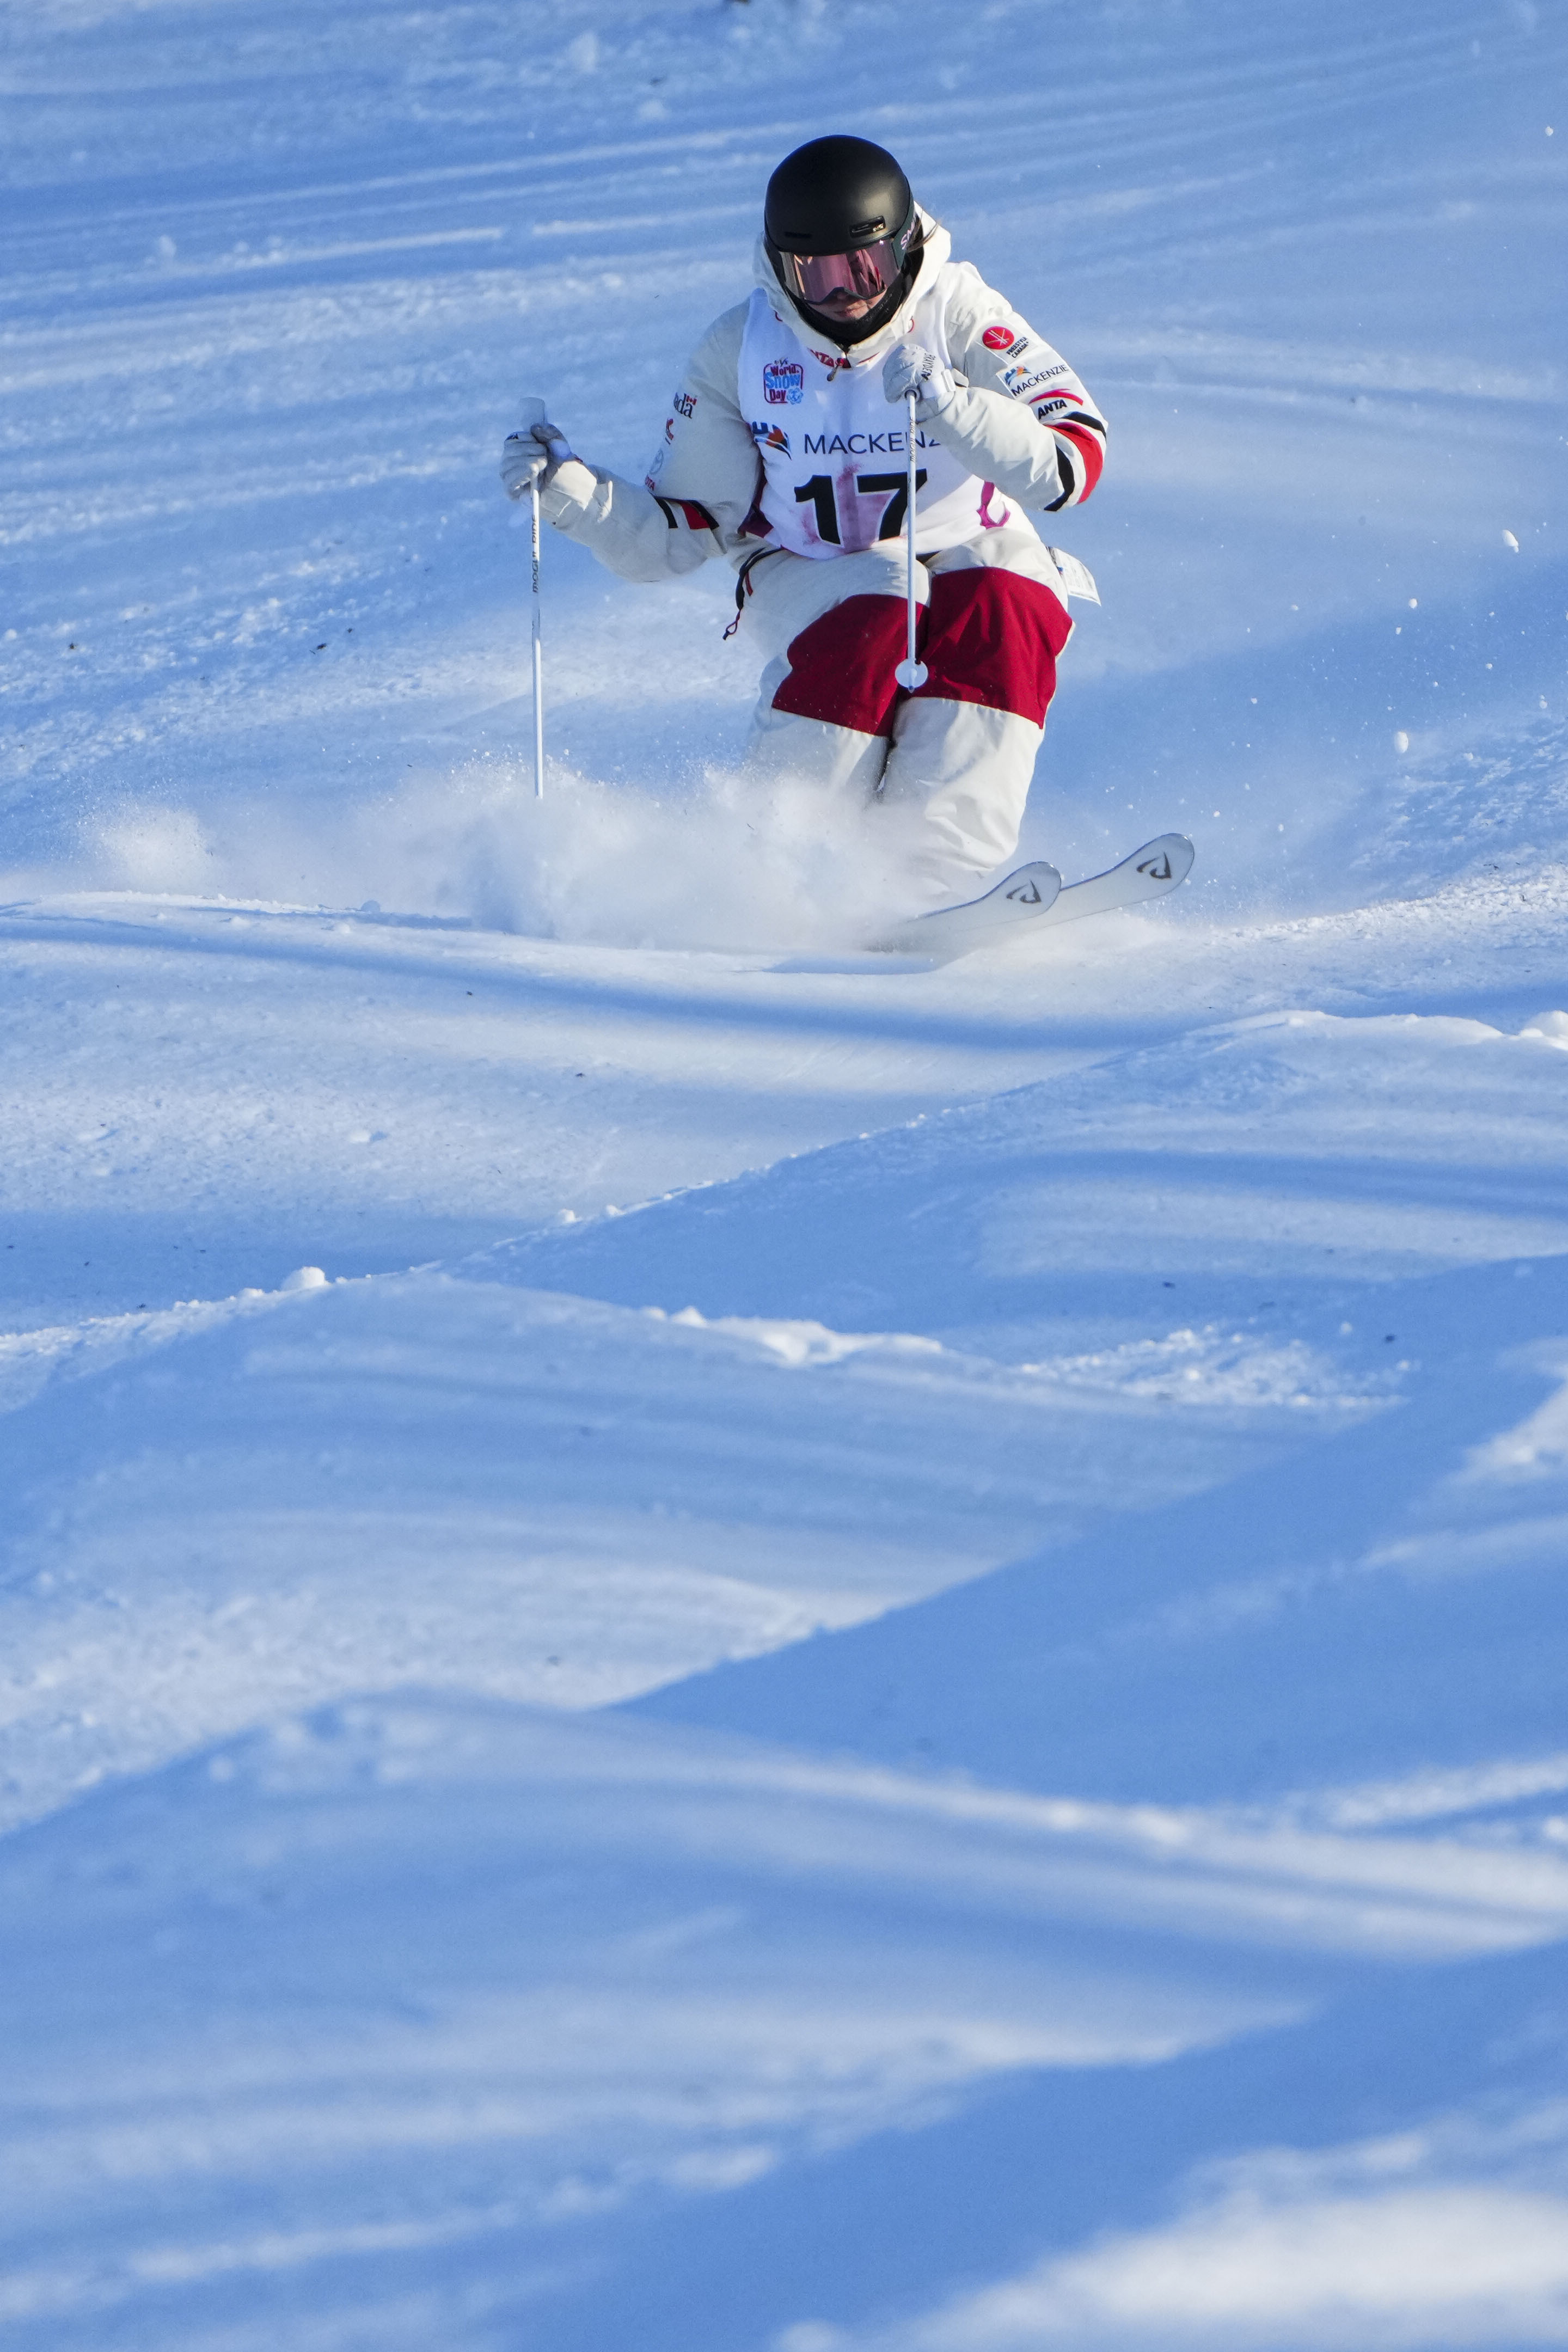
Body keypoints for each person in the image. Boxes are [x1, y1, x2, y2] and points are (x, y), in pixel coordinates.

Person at [500, 133, 1106, 902]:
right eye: (814, 275)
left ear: (905, 247)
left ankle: (930, 883)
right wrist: (572, 494)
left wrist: (959, 412)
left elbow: (1071, 461)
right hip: (810, 570)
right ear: (780, 268)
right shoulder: (745, 351)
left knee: (1009, 601)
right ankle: (776, 864)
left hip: (968, 541)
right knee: (885, 600)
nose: (846, 294)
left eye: (866, 267)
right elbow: (681, 532)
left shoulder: (959, 313)